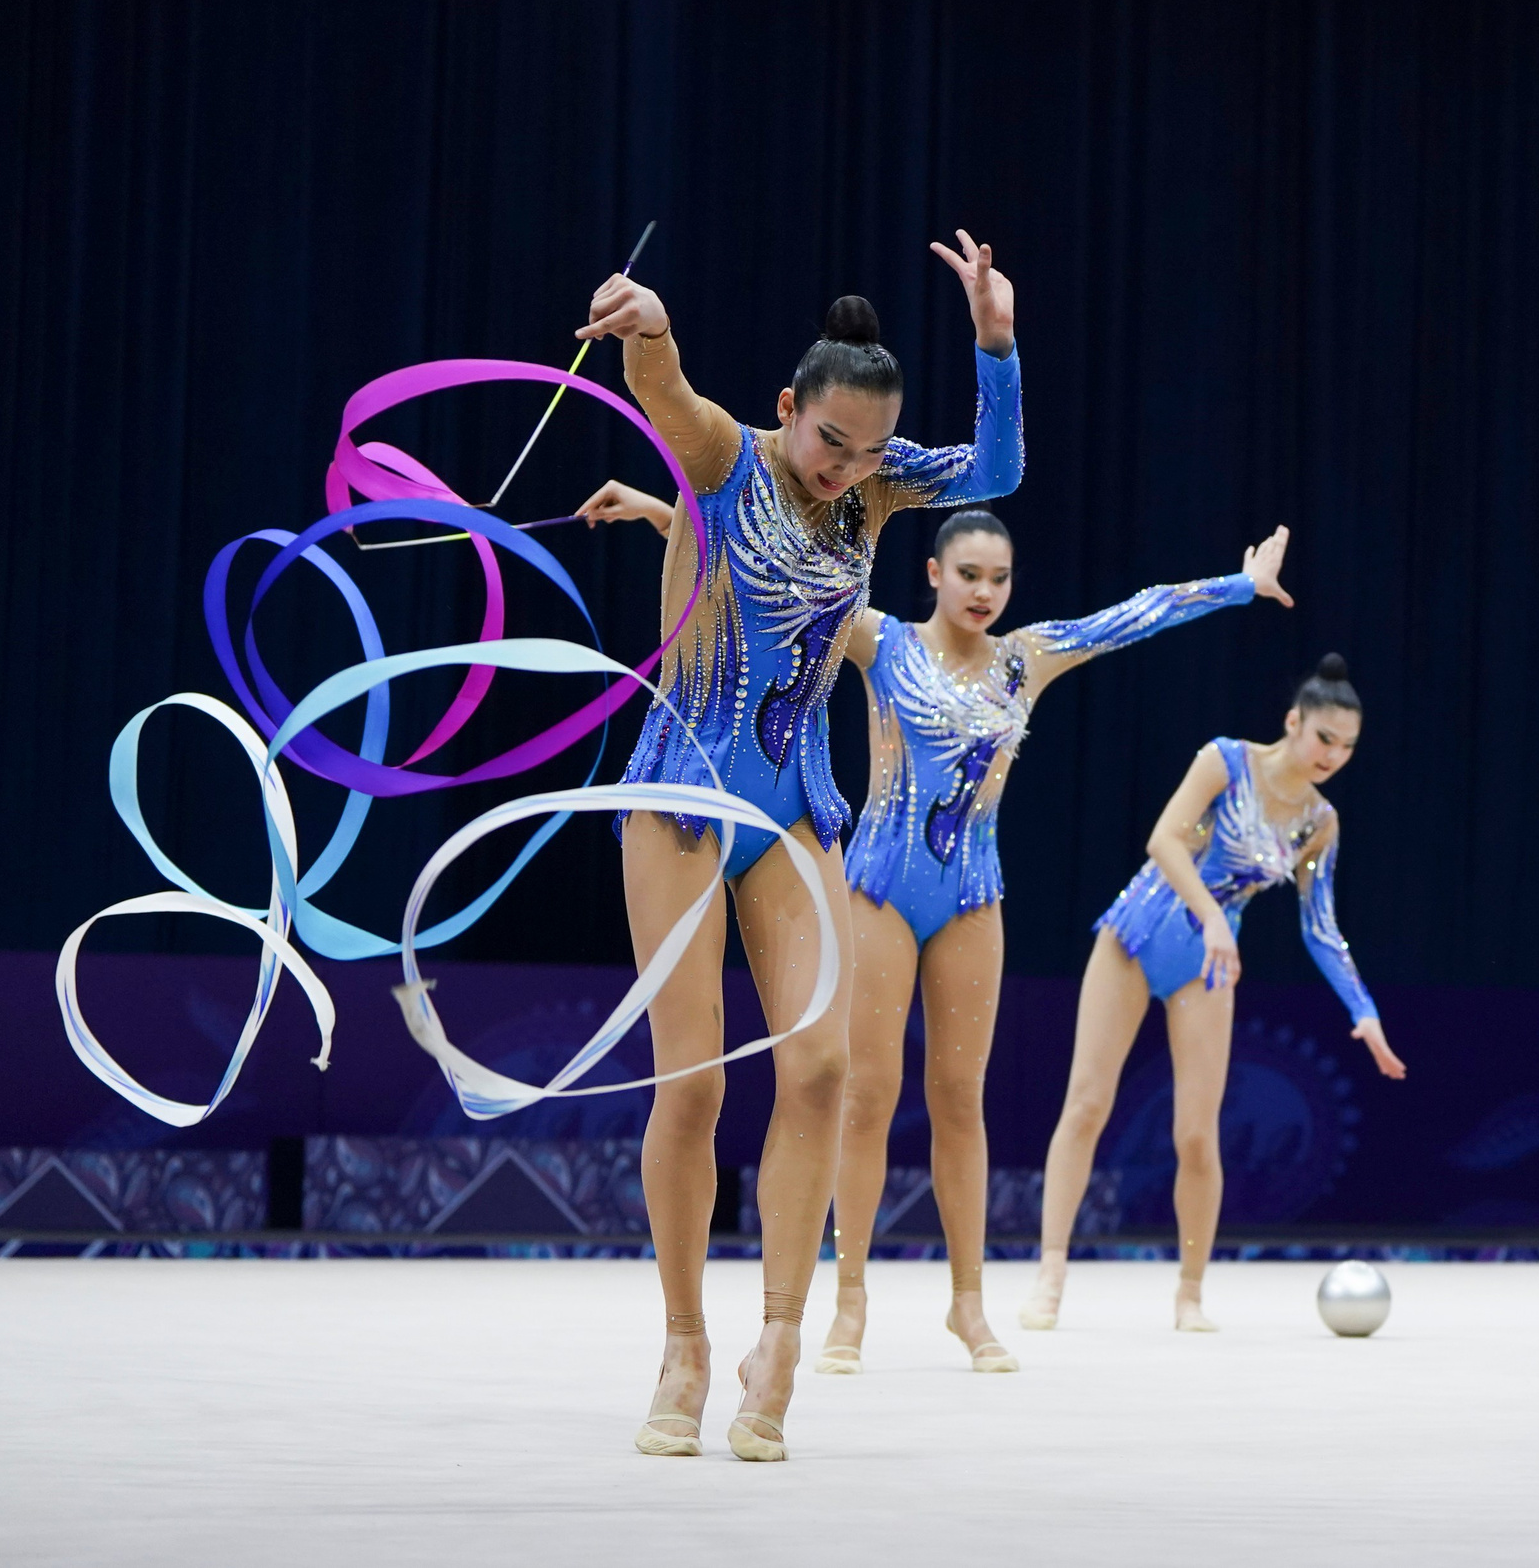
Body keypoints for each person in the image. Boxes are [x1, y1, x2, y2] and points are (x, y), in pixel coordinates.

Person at [574, 231, 1019, 1462]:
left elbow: (997, 467)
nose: (849, 469)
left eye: (871, 450)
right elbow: (662, 390)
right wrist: (652, 325)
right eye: (832, 442)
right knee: (694, 1082)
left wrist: (994, 344)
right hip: (681, 795)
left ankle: (777, 1338)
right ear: (787, 408)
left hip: (794, 806)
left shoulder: (875, 493)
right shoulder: (727, 458)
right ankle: (682, 1344)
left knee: (821, 1067)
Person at [816, 511, 1296, 1377]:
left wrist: (1239, 586)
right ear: (933, 572)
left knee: (960, 1099)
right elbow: (775, 581)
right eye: (969, 574)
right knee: (868, 1095)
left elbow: (1135, 614)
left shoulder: (1024, 659)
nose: (984, 592)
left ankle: (969, 1305)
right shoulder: (880, 641)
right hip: (880, 886)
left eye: (998, 578)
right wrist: (674, 514)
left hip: (970, 896)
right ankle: (849, 1300)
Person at [1021, 655, 1406, 1335]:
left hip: (1206, 965)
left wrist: (1365, 1012)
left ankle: (1190, 1295)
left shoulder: (1319, 821)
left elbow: (1321, 928)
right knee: (1086, 1104)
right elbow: (1164, 841)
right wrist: (1212, 919)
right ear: (1294, 722)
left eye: (1347, 746)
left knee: (1198, 1134)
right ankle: (1050, 1274)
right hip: (1137, 935)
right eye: (1324, 737)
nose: (1333, 755)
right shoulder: (1225, 761)